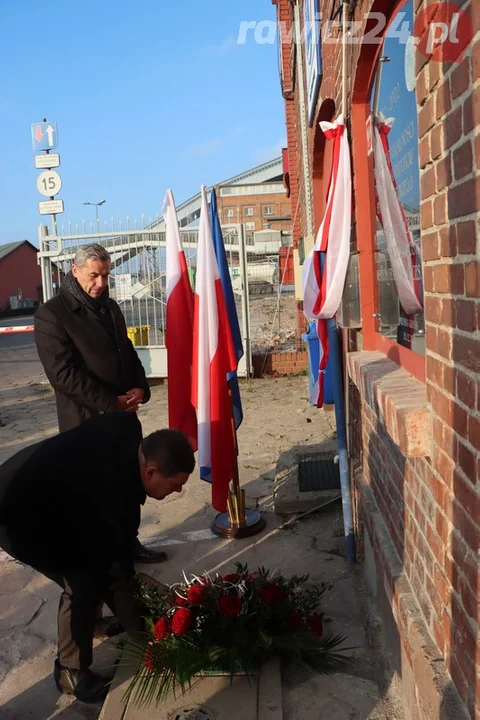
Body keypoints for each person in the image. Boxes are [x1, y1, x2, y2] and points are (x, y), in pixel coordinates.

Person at [0, 412, 195, 704]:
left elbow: (122, 538)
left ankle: (91, 624)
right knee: (82, 582)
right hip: (17, 512)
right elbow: (113, 574)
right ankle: (70, 671)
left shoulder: (129, 433)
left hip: (56, 495)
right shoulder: (106, 492)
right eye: (175, 484)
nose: (178, 491)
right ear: (151, 471)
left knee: (98, 563)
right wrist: (145, 632)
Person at [34, 243, 166, 565]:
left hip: (123, 417)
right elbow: (63, 375)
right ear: (75, 271)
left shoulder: (111, 308)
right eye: (95, 276)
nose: (101, 284)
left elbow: (128, 351)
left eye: (106, 275)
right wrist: (110, 403)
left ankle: (129, 541)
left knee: (127, 485)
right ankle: (100, 559)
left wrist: (140, 387)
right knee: (94, 492)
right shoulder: (52, 315)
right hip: (86, 422)